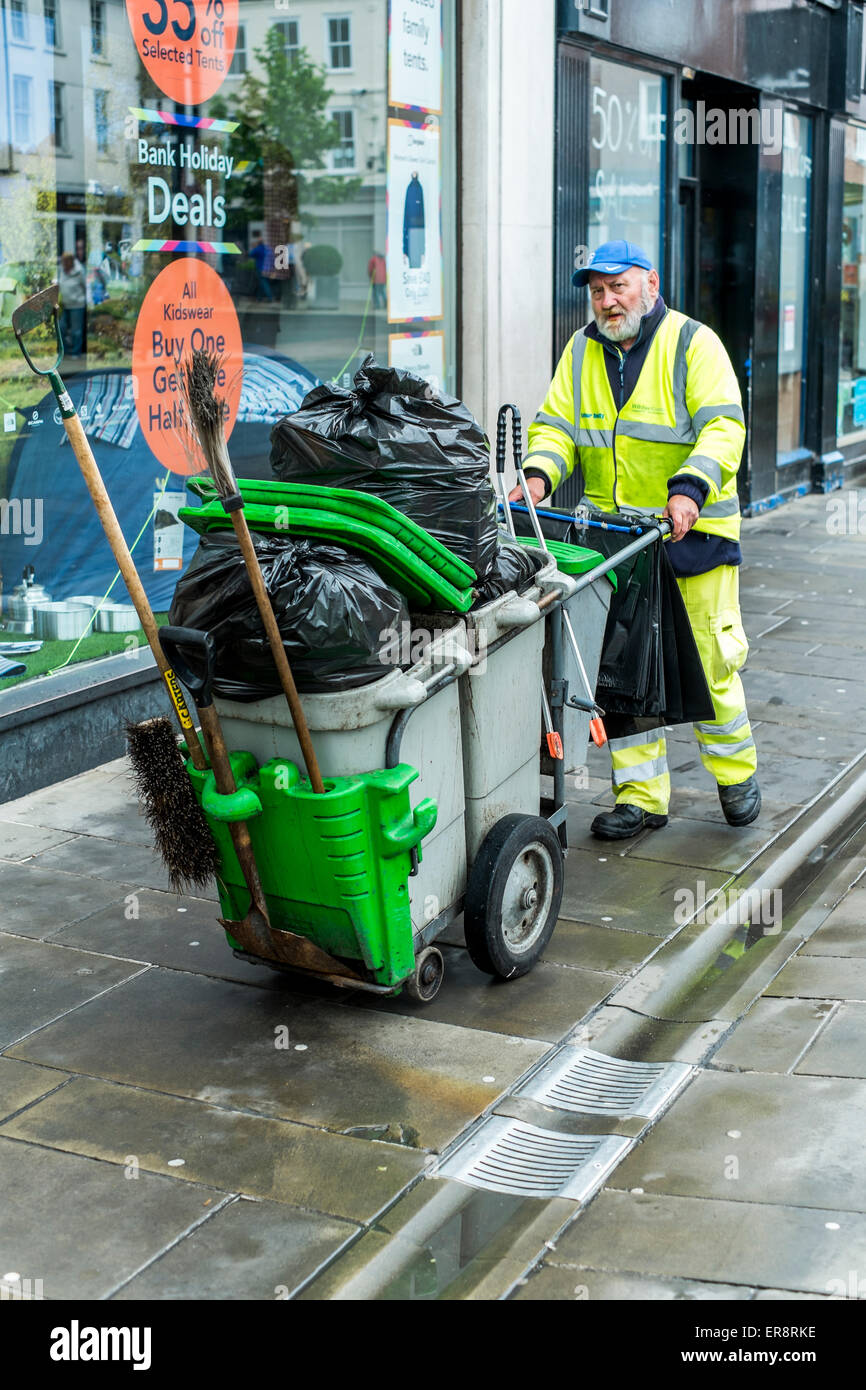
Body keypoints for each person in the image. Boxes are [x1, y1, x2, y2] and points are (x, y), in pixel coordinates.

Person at [513, 239, 760, 839]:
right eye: (597, 291)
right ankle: (642, 797)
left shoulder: (692, 344)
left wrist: (689, 488)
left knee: (711, 663)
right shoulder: (580, 351)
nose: (606, 300)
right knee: (626, 674)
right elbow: (556, 425)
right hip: (618, 544)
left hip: (691, 535)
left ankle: (735, 777)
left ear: (649, 283)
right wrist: (540, 476)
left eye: (617, 286)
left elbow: (724, 427)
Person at [57, 252, 87, 356]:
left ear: (71, 261)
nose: (63, 264)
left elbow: (85, 287)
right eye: (63, 262)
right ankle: (64, 351)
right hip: (63, 305)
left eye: (65, 261)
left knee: (76, 331)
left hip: (77, 305)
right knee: (61, 327)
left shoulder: (80, 271)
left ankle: (76, 352)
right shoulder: (61, 270)